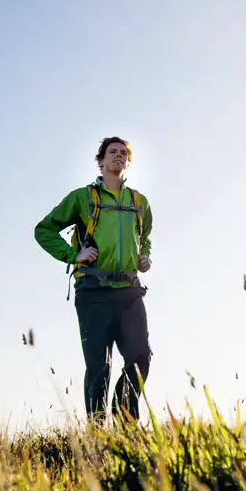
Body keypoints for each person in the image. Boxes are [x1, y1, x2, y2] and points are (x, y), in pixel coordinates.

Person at [35, 136, 154, 424]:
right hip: (93, 293)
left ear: (128, 162)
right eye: (112, 152)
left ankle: (125, 420)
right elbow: (44, 230)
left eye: (123, 153)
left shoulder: (139, 202)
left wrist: (144, 257)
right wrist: (73, 254)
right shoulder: (82, 198)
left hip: (129, 291)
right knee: (99, 367)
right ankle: (98, 434)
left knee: (141, 357)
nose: (118, 156)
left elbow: (145, 238)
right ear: (100, 162)